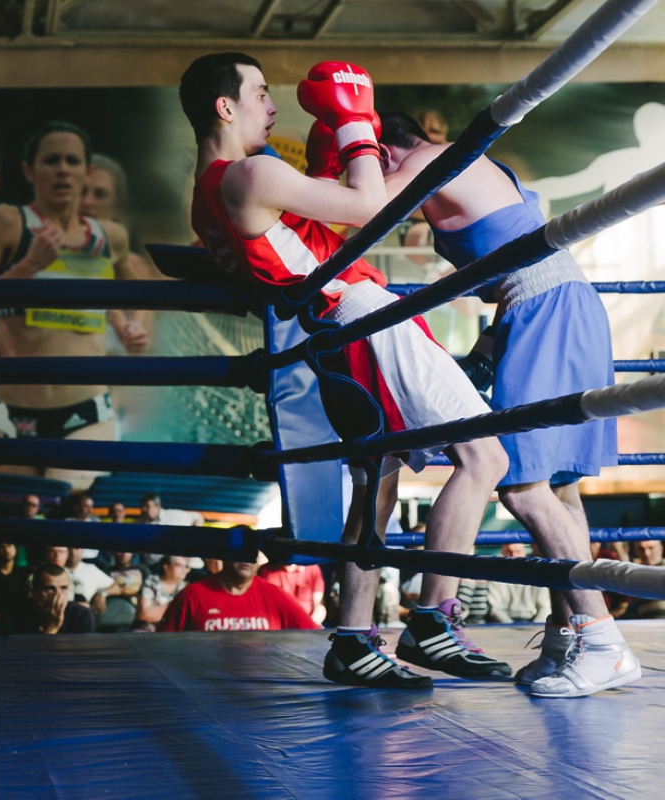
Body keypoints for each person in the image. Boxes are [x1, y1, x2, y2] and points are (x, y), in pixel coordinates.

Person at [180, 52, 507, 688]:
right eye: (260, 93)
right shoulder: (249, 174)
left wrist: (327, 165)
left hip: (334, 334)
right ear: (225, 106)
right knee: (484, 457)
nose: (273, 106)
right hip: (361, 316)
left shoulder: (207, 196)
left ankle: (354, 638)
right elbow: (372, 209)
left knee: (377, 484)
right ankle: (433, 619)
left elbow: (304, 239)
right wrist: (356, 122)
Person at [378, 111, 639, 697]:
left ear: (386, 149)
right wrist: (486, 352)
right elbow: (514, 258)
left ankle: (602, 641)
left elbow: (362, 206)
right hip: (554, 307)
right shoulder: (466, 164)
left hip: (544, 309)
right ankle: (566, 637)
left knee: (521, 487)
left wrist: (346, 146)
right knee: (559, 488)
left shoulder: (426, 159)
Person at [0, 121, 149, 485]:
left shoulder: (110, 237)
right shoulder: (8, 222)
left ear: (88, 171)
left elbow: (138, 295)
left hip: (86, 413)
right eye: (52, 160)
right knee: (19, 511)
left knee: (64, 496)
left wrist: (131, 327)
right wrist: (27, 267)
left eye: (72, 160)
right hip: (11, 413)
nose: (63, 170)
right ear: (29, 171)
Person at [158, 558, 320, 632]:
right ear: (224, 555)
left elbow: (313, 635)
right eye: (239, 550)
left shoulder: (275, 597)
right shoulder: (192, 596)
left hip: (260, 689)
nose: (245, 558)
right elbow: (162, 647)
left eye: (250, 551)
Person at [0, 563, 95, 635]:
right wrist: (51, 628)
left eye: (63, 588)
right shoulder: (14, 615)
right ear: (34, 592)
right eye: (50, 589)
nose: (58, 595)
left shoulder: (81, 615)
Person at [259, 559, 327, 625]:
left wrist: (308, 625)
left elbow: (319, 607)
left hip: (306, 626)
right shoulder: (266, 571)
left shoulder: (312, 568)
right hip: (276, 626)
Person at [135, 555, 191, 631]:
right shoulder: (152, 582)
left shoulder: (185, 588)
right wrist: (174, 606)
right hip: (148, 631)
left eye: (186, 566)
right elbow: (144, 614)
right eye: (179, 565)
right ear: (166, 567)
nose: (184, 569)